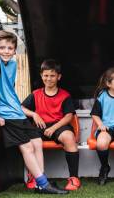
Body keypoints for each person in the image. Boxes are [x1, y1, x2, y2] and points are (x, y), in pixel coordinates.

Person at [0, 30, 67, 194]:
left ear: (15, 50)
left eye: (10, 48)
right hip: (7, 114)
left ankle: (39, 182)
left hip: (17, 112)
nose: (6, 51)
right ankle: (44, 184)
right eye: (1, 48)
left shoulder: (13, 64)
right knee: (27, 147)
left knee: (37, 142)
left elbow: (10, 89)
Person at [21, 59, 81, 191]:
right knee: (29, 141)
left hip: (59, 126)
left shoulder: (65, 95)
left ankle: (74, 178)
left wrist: (53, 128)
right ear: (41, 76)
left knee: (69, 138)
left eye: (52, 75)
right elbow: (21, 108)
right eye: (46, 75)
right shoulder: (35, 94)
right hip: (40, 127)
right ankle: (35, 176)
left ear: (59, 77)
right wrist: (34, 114)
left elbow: (69, 116)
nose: (49, 78)